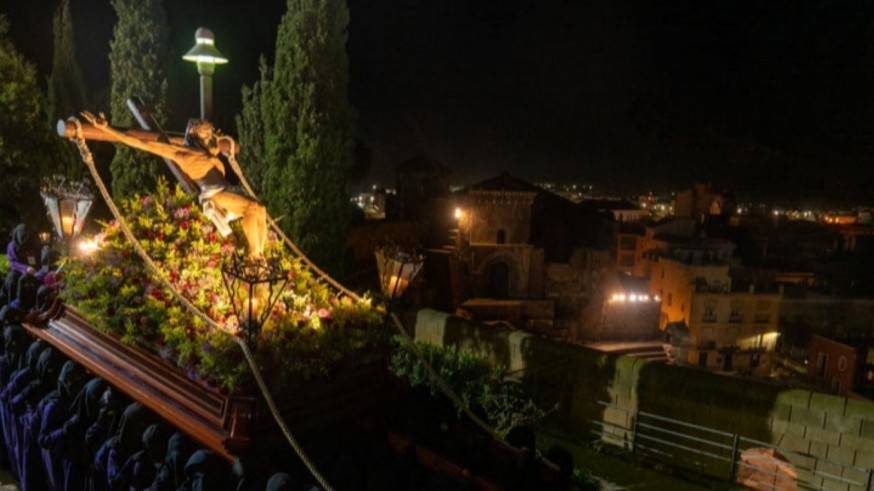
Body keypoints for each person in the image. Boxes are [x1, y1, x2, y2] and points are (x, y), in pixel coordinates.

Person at [79, 111, 268, 259]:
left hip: (226, 189)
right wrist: (106, 129)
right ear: (193, 133)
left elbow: (225, 145)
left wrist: (219, 140)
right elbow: (139, 142)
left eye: (209, 134)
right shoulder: (180, 152)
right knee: (251, 208)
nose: (208, 137)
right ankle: (255, 255)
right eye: (204, 134)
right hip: (214, 194)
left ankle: (260, 255)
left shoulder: (210, 149)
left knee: (260, 209)